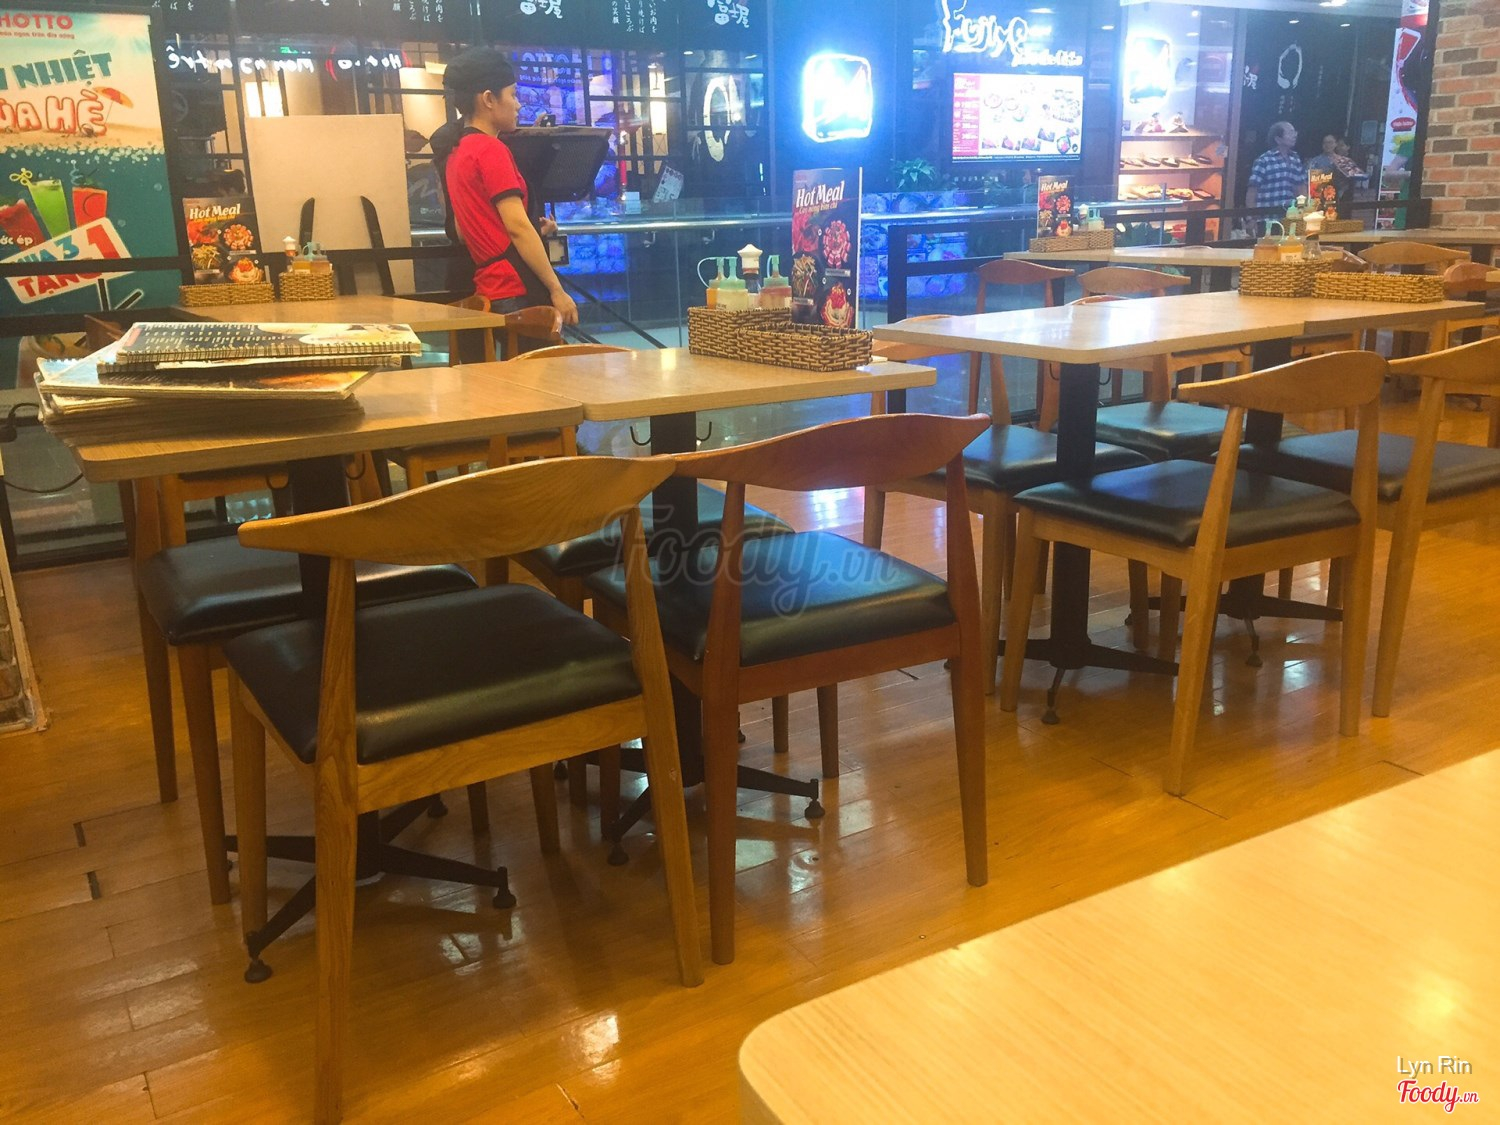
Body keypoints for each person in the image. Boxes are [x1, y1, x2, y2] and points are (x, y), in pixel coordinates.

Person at [441, 47, 578, 327]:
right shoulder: (491, 149)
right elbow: (517, 226)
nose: (518, 105)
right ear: (488, 99)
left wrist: (534, 232)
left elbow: (465, 231)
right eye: (513, 95)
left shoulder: (456, 152)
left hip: (489, 290)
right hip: (517, 288)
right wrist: (556, 289)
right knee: (547, 356)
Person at [1245, 121, 1306, 211]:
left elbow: (1301, 188)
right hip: (1266, 216)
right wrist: (1251, 215)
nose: (1294, 135)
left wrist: (1303, 210)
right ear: (1278, 139)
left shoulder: (1295, 159)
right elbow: (1252, 191)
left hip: (1290, 216)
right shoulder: (1264, 160)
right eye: (1290, 133)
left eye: (1294, 132)